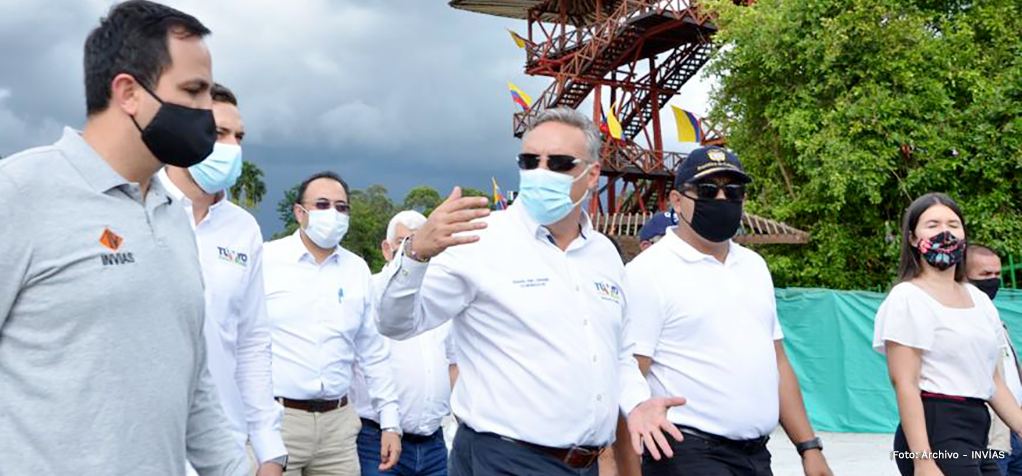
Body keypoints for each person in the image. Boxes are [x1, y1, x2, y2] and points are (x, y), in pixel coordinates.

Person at [0, 0, 248, 476]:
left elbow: (195, 385)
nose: (207, 113)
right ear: (127, 91)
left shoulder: (171, 215)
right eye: (193, 91)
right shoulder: (13, 196)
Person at [379, 107, 683, 476]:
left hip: (584, 464)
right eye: (529, 161)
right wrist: (415, 254)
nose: (541, 173)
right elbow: (396, 323)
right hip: (503, 459)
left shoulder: (605, 255)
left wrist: (637, 403)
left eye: (558, 163)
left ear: (592, 176)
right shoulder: (477, 238)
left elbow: (617, 354)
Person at [623, 146, 833, 476]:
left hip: (756, 456)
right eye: (708, 190)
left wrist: (808, 447)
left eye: (733, 191)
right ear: (677, 201)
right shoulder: (647, 272)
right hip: (686, 453)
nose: (722, 199)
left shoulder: (754, 266)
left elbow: (777, 362)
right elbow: (628, 370)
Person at [158, 83, 288, 476]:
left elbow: (251, 341)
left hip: (221, 449)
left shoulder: (243, 229)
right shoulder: (135, 207)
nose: (232, 147)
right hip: (140, 448)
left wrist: (269, 450)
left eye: (239, 137)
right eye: (218, 134)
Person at [262, 171, 403, 476]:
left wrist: (391, 422)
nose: (333, 213)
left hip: (338, 426)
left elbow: (373, 352)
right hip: (278, 421)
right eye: (323, 204)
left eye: (341, 207)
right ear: (300, 212)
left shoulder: (356, 269)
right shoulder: (266, 260)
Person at [875, 193, 1022, 476]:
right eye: (932, 225)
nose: (945, 231)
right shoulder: (907, 297)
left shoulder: (979, 300)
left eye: (953, 224)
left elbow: (993, 381)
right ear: (913, 239)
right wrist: (923, 461)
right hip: (936, 424)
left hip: (978, 426)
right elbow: (904, 383)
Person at [351, 210, 456, 476]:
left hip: (434, 444)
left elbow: (453, 363)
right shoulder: (368, 292)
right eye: (403, 242)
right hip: (378, 441)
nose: (414, 249)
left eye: (420, 240)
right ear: (387, 249)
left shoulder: (441, 298)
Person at [967, 244, 1022, 476]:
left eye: (997, 274)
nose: (993, 281)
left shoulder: (994, 318)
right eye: (985, 275)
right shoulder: (963, 323)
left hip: (1013, 431)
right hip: (988, 437)